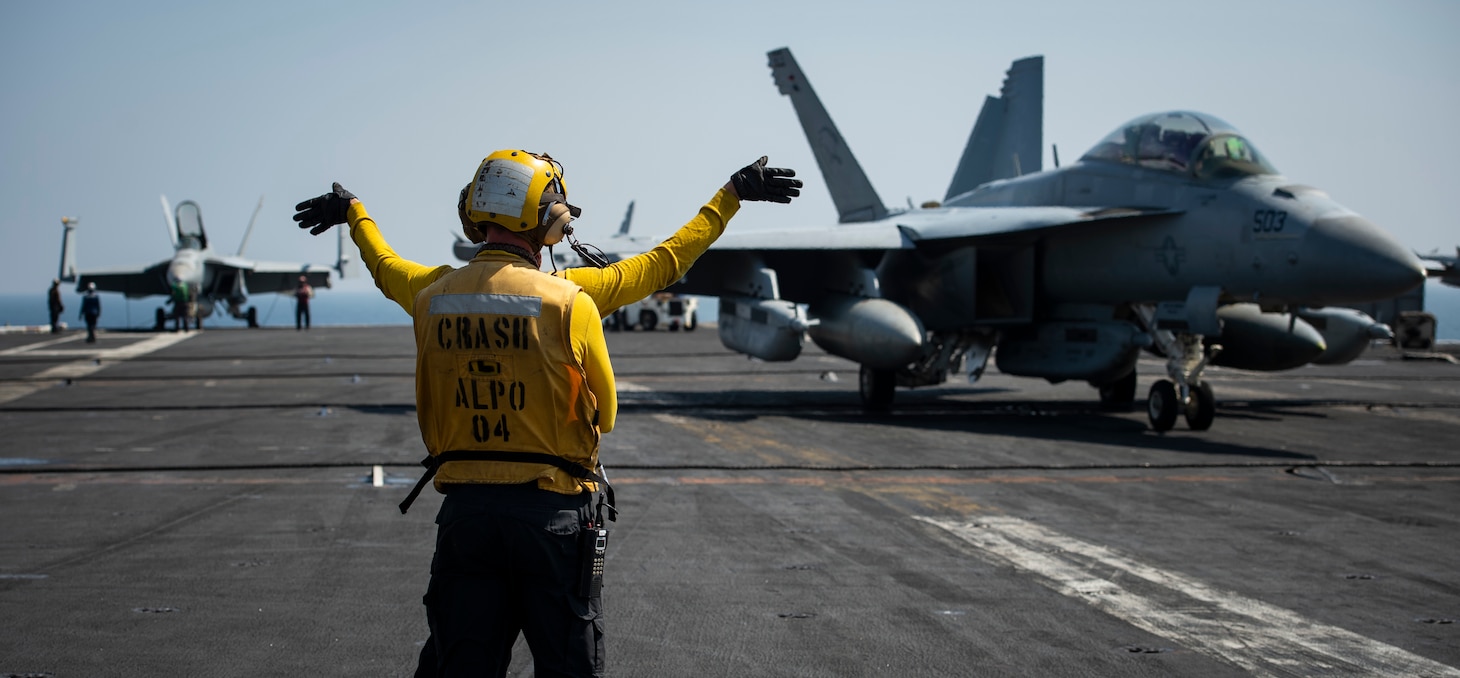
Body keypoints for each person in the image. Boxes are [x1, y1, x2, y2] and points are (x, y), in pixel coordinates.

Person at [293, 151, 800, 677]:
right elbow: (658, 280)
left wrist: (354, 212)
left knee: (459, 665)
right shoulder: (571, 300)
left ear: (472, 212)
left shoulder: (431, 295)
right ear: (549, 219)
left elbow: (383, 264)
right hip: (553, 522)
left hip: (465, 519)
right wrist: (731, 196)